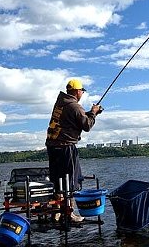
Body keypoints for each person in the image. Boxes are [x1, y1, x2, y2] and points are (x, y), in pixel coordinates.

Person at [45, 78, 102, 221]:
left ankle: (57, 211)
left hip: (53, 147)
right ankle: (69, 214)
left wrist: (90, 113)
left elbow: (77, 119)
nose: (82, 93)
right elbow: (87, 125)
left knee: (58, 180)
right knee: (70, 181)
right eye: (82, 91)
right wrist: (94, 112)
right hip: (66, 147)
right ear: (77, 91)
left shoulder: (61, 103)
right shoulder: (75, 106)